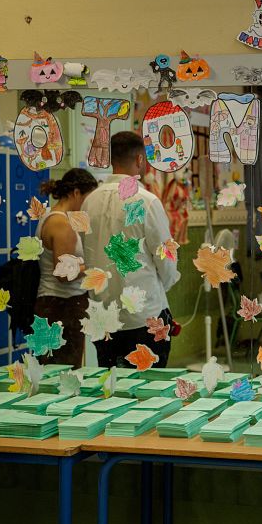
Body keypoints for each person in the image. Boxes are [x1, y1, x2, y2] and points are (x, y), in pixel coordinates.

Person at [82, 131, 180, 368]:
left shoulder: (89, 202)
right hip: (144, 317)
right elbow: (166, 258)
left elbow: (86, 252)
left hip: (103, 316)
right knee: (148, 385)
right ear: (139, 159)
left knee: (111, 384)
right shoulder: (147, 201)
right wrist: (163, 287)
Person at [34, 169, 98, 368]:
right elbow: (64, 274)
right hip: (62, 307)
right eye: (88, 199)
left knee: (52, 371)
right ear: (76, 193)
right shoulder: (61, 224)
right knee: (64, 373)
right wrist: (94, 265)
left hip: (54, 305)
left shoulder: (52, 217)